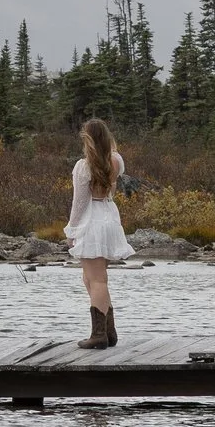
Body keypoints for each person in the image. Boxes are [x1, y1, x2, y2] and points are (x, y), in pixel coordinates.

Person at [64, 117, 130, 348]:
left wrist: (71, 230)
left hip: (92, 220)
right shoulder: (116, 161)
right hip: (109, 216)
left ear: (88, 140)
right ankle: (109, 332)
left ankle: (99, 335)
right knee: (93, 278)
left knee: (96, 279)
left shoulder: (83, 166)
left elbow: (80, 202)